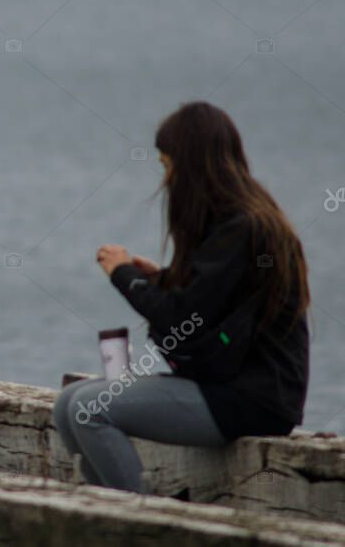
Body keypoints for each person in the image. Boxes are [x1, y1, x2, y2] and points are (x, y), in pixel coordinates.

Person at [52, 101, 310, 493]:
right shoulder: (238, 220)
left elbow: (180, 320)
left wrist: (124, 276)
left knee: (89, 410)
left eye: (166, 164)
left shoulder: (243, 229)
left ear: (190, 165)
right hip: (225, 386)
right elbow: (210, 299)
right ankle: (108, 511)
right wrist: (163, 279)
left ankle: (138, 524)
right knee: (67, 403)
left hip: (252, 400)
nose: (166, 177)